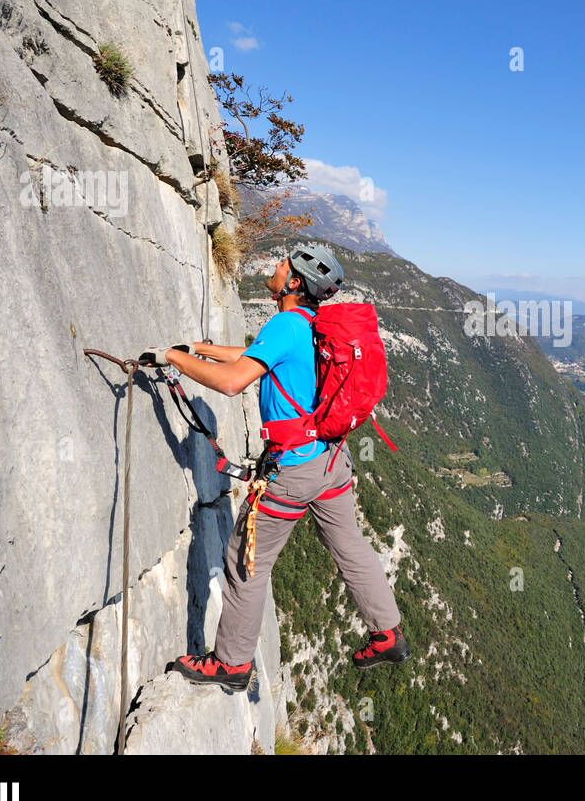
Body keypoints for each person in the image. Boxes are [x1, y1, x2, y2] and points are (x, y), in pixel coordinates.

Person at [147, 244, 410, 692]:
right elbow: (255, 355)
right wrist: (201, 349)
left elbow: (233, 383)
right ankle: (386, 633)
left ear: (293, 283)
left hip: (293, 471)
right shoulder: (310, 325)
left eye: (283, 263)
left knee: (245, 560)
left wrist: (173, 359)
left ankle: (231, 664)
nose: (275, 265)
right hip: (330, 460)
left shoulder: (286, 323)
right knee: (350, 545)